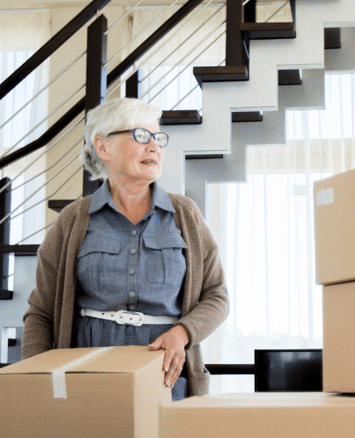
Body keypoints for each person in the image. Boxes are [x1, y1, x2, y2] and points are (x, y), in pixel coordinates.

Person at [22, 97, 229, 401]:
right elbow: (41, 311)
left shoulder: (186, 214)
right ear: (103, 147)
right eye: (141, 136)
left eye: (158, 138)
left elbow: (217, 297)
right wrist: (33, 381)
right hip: (85, 377)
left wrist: (182, 333)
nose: (154, 147)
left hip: (164, 377)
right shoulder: (73, 220)